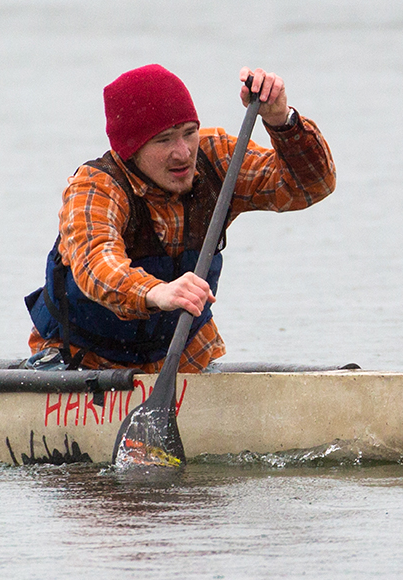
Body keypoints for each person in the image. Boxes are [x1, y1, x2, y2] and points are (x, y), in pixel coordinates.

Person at [24, 64, 335, 373]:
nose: (183, 153)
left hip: (183, 360)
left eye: (189, 133)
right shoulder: (96, 187)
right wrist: (157, 293)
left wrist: (282, 121)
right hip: (82, 360)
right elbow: (96, 264)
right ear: (130, 149)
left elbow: (311, 185)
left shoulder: (217, 158)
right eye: (164, 140)